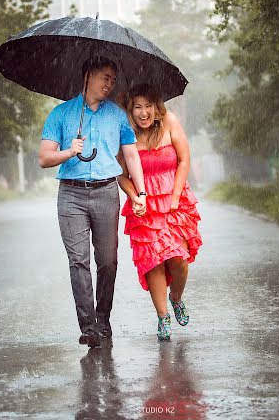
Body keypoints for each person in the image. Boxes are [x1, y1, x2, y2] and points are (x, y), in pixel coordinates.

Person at [39, 57, 146, 348]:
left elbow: (131, 155)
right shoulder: (61, 114)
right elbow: (44, 158)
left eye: (113, 79)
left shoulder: (118, 115)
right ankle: (88, 327)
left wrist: (141, 192)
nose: (110, 83)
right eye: (105, 77)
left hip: (106, 193)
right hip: (71, 195)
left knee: (108, 261)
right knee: (78, 262)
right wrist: (68, 152)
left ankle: (103, 318)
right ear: (87, 75)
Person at [117, 84, 202, 341]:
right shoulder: (126, 134)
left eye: (148, 106)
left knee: (179, 261)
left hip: (174, 201)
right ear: (130, 111)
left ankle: (175, 298)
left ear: (156, 106)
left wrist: (175, 196)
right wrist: (134, 197)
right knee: (153, 263)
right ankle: (162, 317)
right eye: (137, 107)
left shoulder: (169, 122)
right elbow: (121, 175)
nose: (143, 113)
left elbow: (184, 160)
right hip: (145, 206)